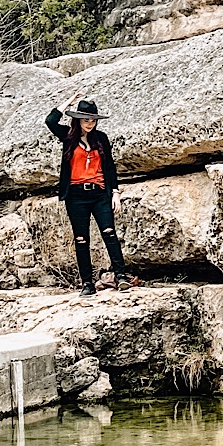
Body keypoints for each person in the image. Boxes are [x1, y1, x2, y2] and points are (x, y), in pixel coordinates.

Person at [45, 92, 131, 297]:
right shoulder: (68, 136)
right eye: (85, 119)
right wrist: (68, 102)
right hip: (75, 196)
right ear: (77, 119)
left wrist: (115, 193)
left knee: (109, 232)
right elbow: (50, 120)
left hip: (100, 193)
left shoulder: (101, 139)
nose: (90, 123)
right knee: (81, 239)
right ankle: (87, 284)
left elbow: (109, 167)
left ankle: (120, 276)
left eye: (93, 120)